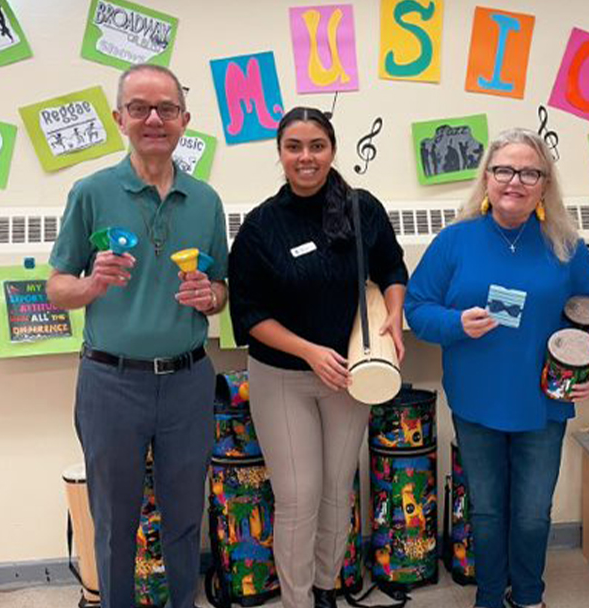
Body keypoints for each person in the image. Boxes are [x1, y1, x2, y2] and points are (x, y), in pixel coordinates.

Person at [404, 128, 589, 608]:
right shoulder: (455, 241)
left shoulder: (565, 246)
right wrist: (456, 322)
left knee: (530, 514)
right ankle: (488, 596)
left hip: (544, 402)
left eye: (529, 172)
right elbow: (417, 309)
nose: (515, 181)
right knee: (485, 511)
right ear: (486, 178)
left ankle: (527, 595)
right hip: (476, 399)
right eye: (504, 170)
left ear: (544, 185)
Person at [47, 64, 229, 608]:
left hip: (188, 379)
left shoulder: (206, 200)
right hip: (111, 382)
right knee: (113, 523)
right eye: (140, 109)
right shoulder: (91, 192)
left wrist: (211, 297)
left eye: (166, 109)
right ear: (119, 118)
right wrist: (92, 283)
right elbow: (57, 288)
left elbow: (221, 288)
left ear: (184, 120)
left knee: (182, 519)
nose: (154, 119)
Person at [228, 107, 408, 608]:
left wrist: (394, 315)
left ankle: (327, 589)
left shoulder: (361, 208)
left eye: (316, 146)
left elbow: (393, 267)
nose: (305, 158)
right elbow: (247, 314)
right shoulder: (261, 227)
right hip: (282, 375)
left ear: (332, 149)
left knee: (335, 489)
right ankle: (298, 599)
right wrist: (309, 353)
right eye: (294, 147)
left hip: (352, 375)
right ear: (280, 154)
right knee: (298, 496)